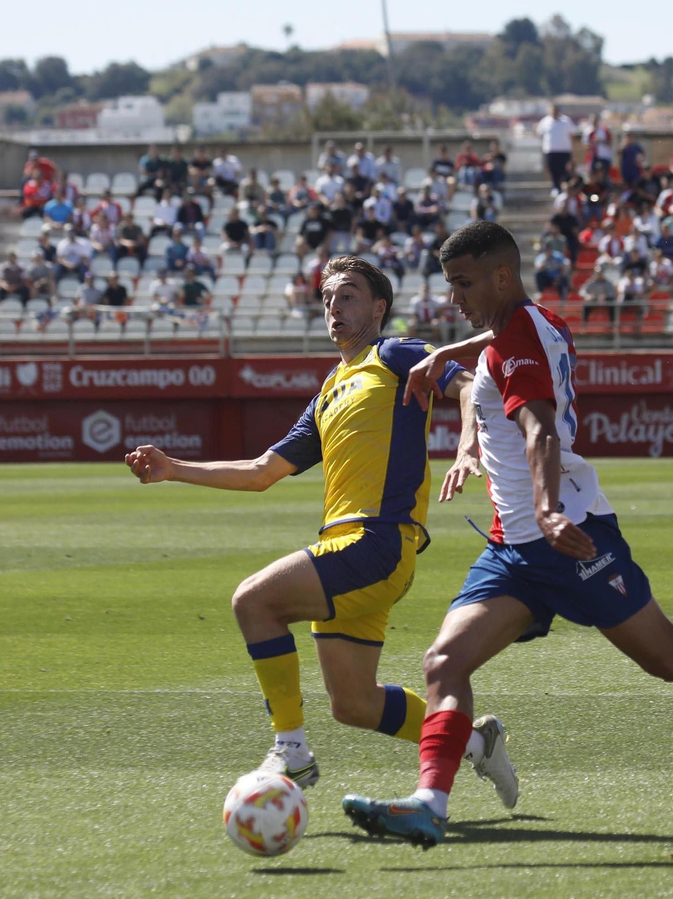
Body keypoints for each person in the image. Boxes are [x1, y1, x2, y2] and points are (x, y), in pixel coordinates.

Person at [339, 222, 673, 848]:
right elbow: (511, 335)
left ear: (501, 277)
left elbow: (540, 430)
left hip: (571, 537)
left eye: (463, 283)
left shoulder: (514, 351)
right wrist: (450, 353)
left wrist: (549, 508)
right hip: (513, 550)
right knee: (444, 662)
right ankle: (429, 803)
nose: (452, 296)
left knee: (672, 657)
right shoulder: (537, 323)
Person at [123, 256, 516, 803]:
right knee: (354, 704)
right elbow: (263, 472)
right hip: (348, 545)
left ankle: (292, 750)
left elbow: (470, 384)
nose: (334, 305)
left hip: (378, 540)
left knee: (255, 601)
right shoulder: (330, 388)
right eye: (329, 297)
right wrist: (174, 470)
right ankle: (476, 741)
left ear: (379, 307)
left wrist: (468, 443)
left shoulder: (396, 352)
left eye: (348, 294)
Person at [536, 105, 576, 191]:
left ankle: (564, 187)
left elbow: (572, 134)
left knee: (564, 171)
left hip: (564, 151)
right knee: (553, 170)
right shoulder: (545, 121)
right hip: (550, 151)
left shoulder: (566, 121)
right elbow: (539, 133)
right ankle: (555, 187)